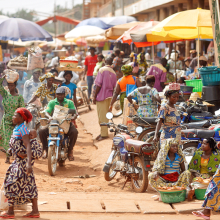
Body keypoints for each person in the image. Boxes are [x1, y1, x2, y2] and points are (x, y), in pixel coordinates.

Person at [0, 108, 41, 219]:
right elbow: (16, 143)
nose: (13, 117)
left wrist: (28, 164)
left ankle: (10, 211)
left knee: (10, 184)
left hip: (21, 164)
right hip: (19, 161)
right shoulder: (18, 128)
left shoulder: (23, 129)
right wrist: (11, 150)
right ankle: (35, 211)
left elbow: (27, 146)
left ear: (22, 118)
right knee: (30, 185)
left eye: (15, 115)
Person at [39, 87, 78, 161]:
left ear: (64, 95)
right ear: (56, 95)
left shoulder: (69, 102)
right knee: (41, 131)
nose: (60, 96)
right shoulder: (52, 102)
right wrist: (49, 117)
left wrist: (73, 117)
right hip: (54, 123)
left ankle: (70, 150)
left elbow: (74, 113)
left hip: (66, 123)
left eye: (61, 94)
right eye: (58, 94)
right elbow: (47, 112)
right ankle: (46, 150)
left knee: (74, 132)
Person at [0, 74, 25, 163]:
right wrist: (2, 78)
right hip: (6, 121)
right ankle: (7, 157)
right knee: (7, 139)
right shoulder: (5, 94)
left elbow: (22, 110)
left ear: (15, 86)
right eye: (9, 85)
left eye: (12, 85)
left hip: (16, 122)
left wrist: (17, 120)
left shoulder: (19, 97)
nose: (10, 87)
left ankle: (16, 156)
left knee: (16, 139)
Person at [93, 57, 117, 141]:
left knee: (101, 116)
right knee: (105, 116)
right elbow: (114, 86)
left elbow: (98, 85)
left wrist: (94, 96)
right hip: (109, 96)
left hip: (102, 96)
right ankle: (103, 132)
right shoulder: (113, 72)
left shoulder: (102, 70)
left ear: (105, 61)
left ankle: (104, 134)